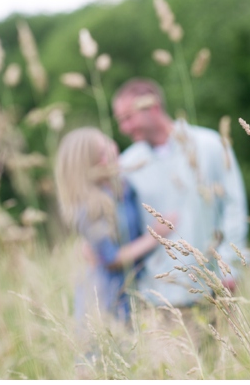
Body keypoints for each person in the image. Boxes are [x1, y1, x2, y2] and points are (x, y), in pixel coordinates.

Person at [112, 78, 248, 314]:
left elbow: (234, 207)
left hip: (215, 284)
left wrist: (230, 266)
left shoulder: (210, 145)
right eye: (120, 121)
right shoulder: (127, 165)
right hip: (157, 296)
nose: (124, 128)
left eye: (128, 118)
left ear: (153, 108)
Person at [55, 127, 171, 328]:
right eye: (100, 154)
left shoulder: (123, 184)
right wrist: (155, 236)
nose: (110, 151)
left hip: (137, 286)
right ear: (86, 166)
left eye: (107, 143)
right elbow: (111, 258)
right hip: (109, 293)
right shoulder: (89, 207)